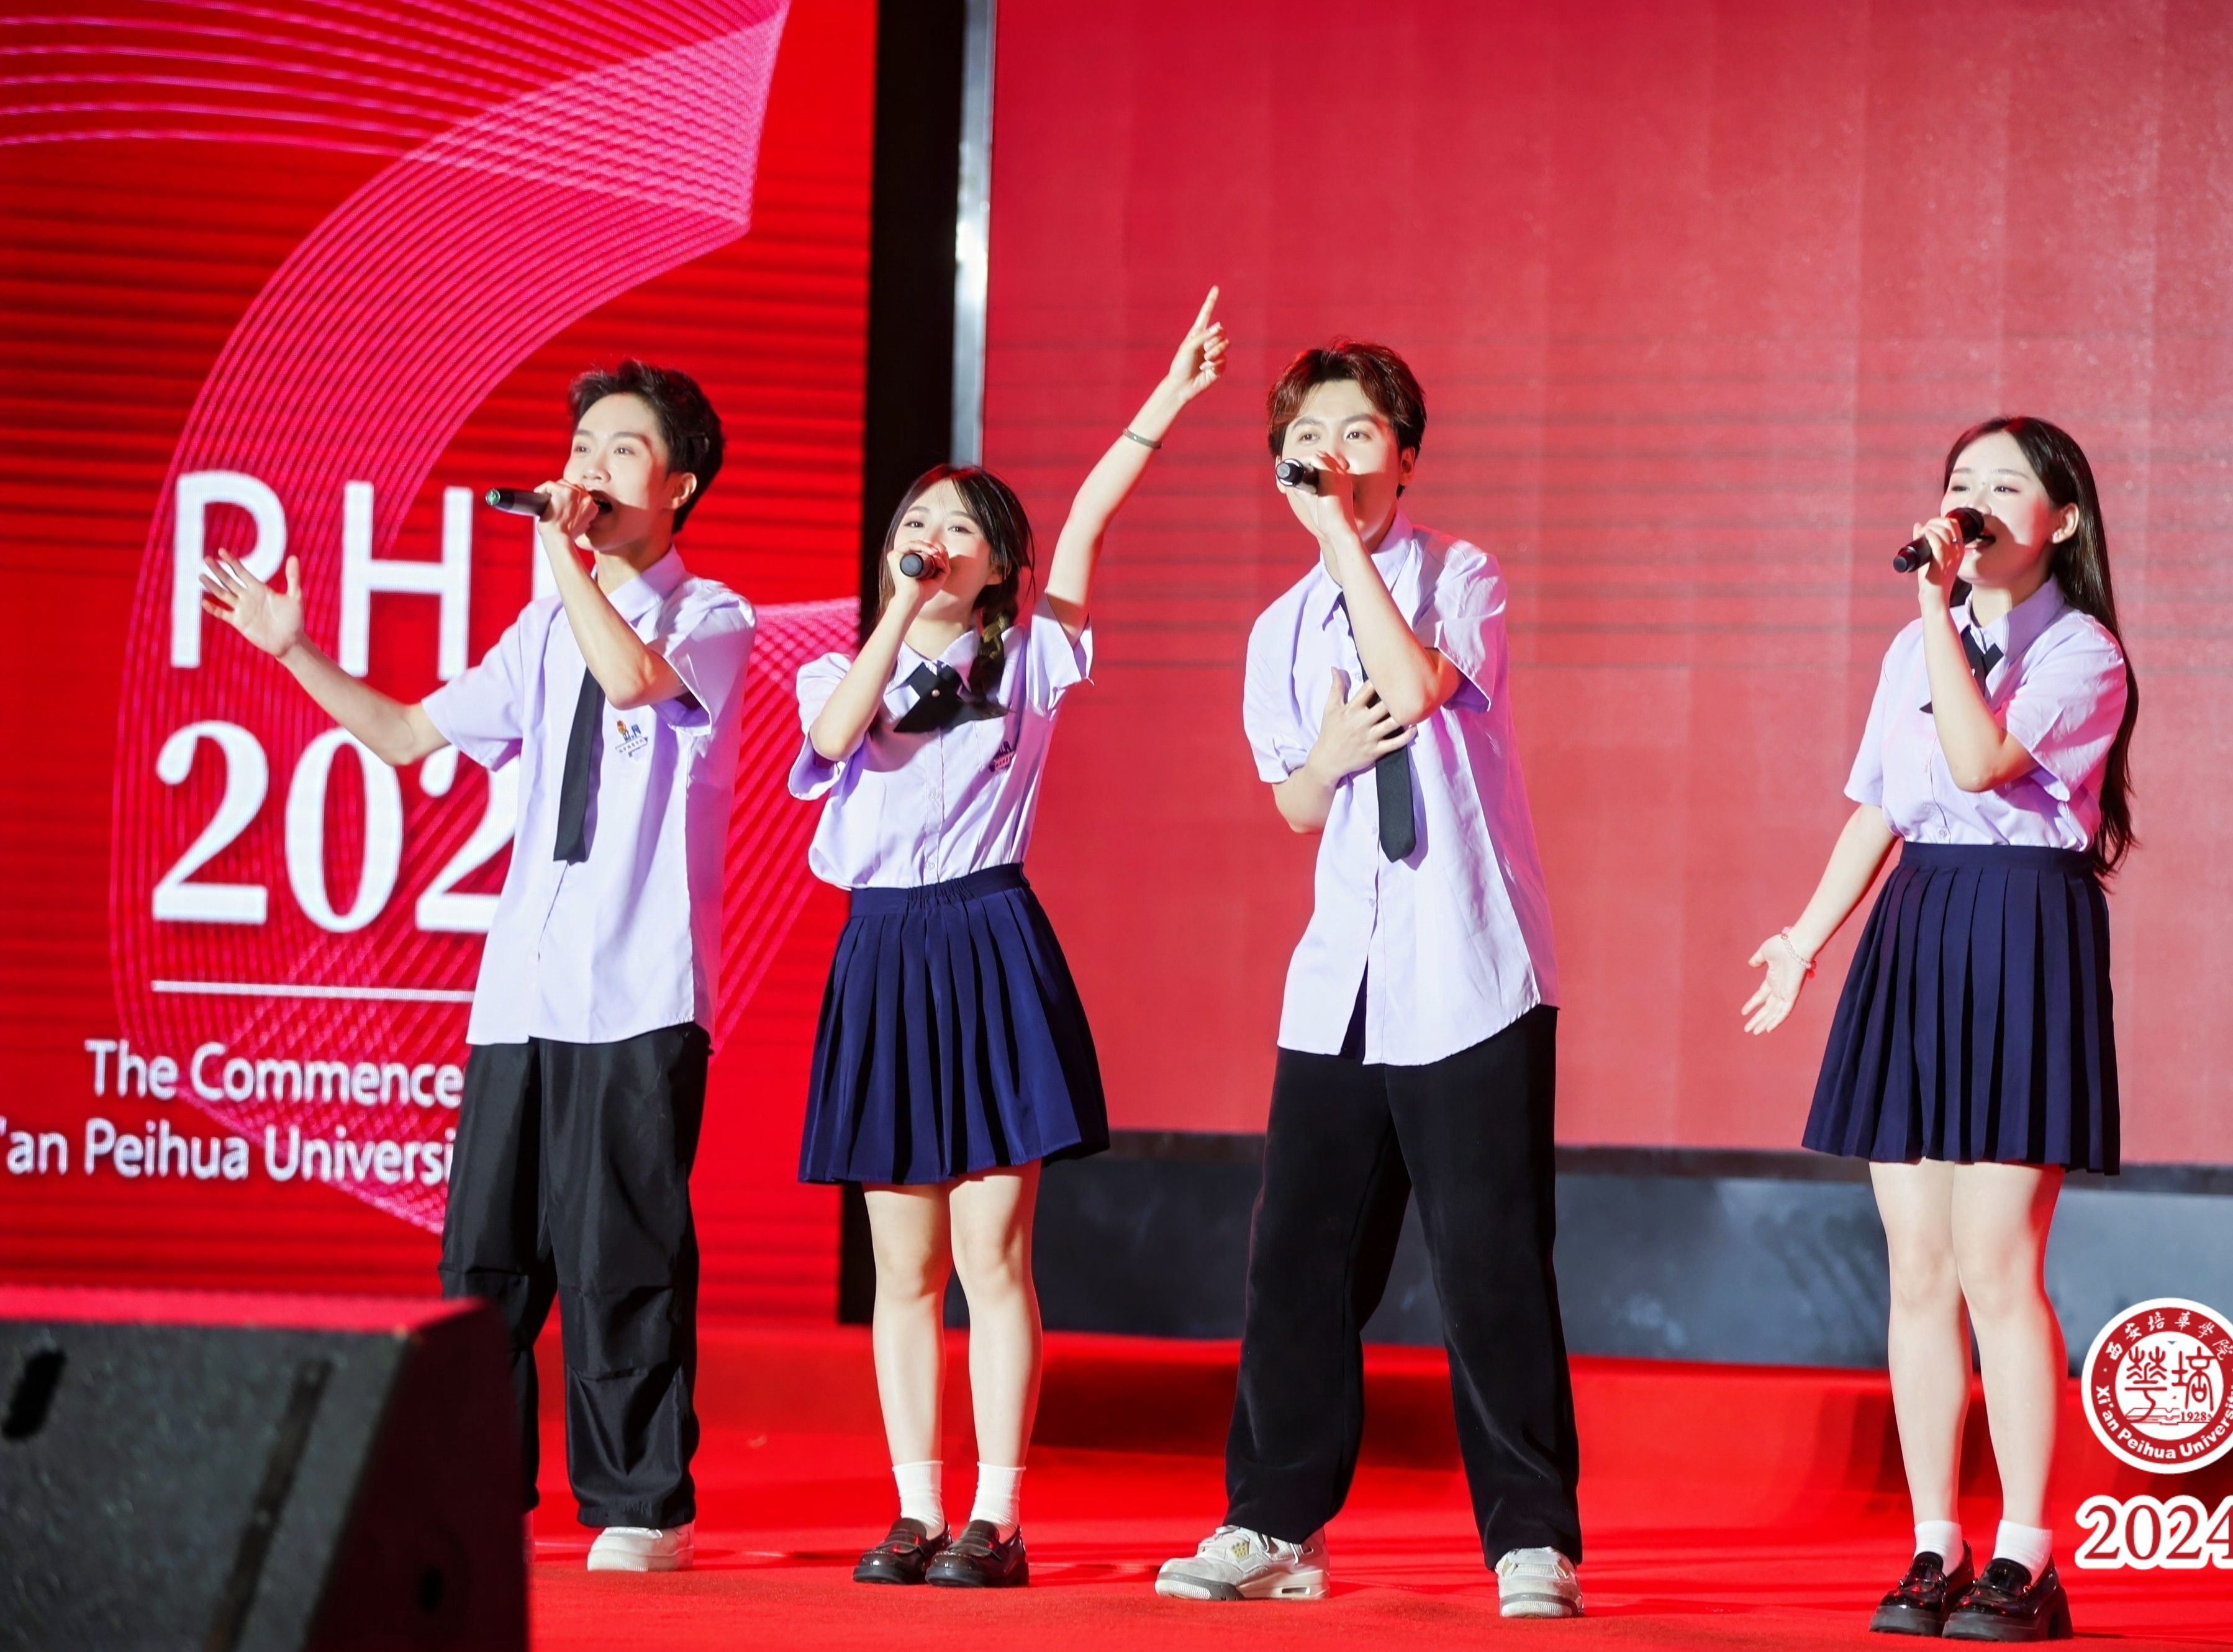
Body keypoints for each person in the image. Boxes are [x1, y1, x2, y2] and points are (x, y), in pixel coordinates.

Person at [202, 361, 755, 1573]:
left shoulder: (711, 617)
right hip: (519, 994)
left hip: (638, 991)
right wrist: (295, 652)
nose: (588, 468)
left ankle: (639, 1504)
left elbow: (630, 681)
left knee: (621, 1256)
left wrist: (563, 551)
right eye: (581, 447)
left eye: (619, 450)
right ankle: (472, 1489)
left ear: (679, 485)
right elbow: (407, 735)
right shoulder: (543, 626)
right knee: (484, 1262)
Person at [790, 292, 1228, 1590]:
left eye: (961, 531)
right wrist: (895, 613)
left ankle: (996, 1515)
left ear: (998, 567)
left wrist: (1163, 401)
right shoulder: (838, 670)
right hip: (883, 950)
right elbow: (833, 739)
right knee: (903, 1266)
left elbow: (1086, 516)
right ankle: (913, 1511)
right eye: (915, 524)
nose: (932, 541)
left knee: (991, 1254)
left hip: (985, 941)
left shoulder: (1030, 658)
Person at [1154, 341, 1581, 1620]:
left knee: (1490, 1258)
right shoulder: (1275, 629)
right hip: (1341, 971)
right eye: (1308, 436)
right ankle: (1274, 1520)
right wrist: (1328, 759)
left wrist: (1342, 541)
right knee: (1297, 1257)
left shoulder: (1460, 574)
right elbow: (1294, 803)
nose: (1329, 455)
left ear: (1403, 454)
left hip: (1467, 963)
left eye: (1355, 432)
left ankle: (1530, 1540)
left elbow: (1415, 686)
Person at [1743, 415, 2136, 1641]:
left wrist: (1933, 612)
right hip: (1916, 930)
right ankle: (1933, 1543)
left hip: (2020, 931)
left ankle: (2025, 1554)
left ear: (2060, 521)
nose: (1971, 502)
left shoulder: (2082, 652)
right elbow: (1881, 806)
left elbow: (1975, 763)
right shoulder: (1915, 645)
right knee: (1915, 1264)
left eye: (2003, 487)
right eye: (1960, 482)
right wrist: (1803, 940)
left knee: (1993, 1260)